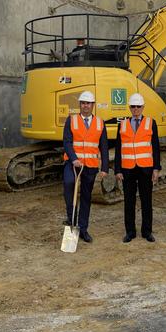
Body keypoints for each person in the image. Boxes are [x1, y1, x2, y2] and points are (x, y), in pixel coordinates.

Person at [63, 90, 109, 243]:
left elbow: (103, 146)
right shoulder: (71, 120)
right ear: (80, 105)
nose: (85, 106)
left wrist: (104, 168)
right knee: (69, 184)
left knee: (86, 197)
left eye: (88, 103)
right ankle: (71, 219)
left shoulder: (100, 123)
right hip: (73, 164)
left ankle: (83, 229)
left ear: (93, 105)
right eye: (83, 103)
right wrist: (74, 158)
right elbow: (67, 142)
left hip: (89, 165)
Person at [114, 93, 161, 243]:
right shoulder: (122, 124)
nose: (135, 109)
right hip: (128, 168)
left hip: (145, 168)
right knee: (129, 201)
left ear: (143, 107)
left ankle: (147, 232)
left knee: (147, 201)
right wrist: (117, 170)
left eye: (138, 106)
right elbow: (118, 148)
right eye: (133, 107)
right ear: (129, 108)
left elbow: (156, 147)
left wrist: (156, 168)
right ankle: (130, 232)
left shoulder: (150, 123)